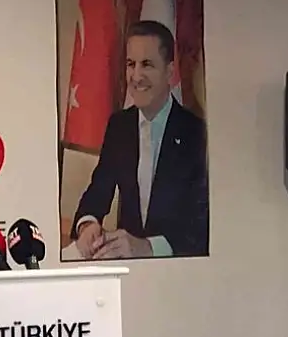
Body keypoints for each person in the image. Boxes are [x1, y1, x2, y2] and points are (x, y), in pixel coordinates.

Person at [70, 20, 209, 260]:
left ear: (169, 72)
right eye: (130, 64)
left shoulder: (196, 133)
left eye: (147, 65)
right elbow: (97, 191)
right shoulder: (119, 126)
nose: (136, 76)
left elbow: (202, 226)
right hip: (127, 267)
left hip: (180, 268)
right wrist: (87, 224)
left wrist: (148, 247)